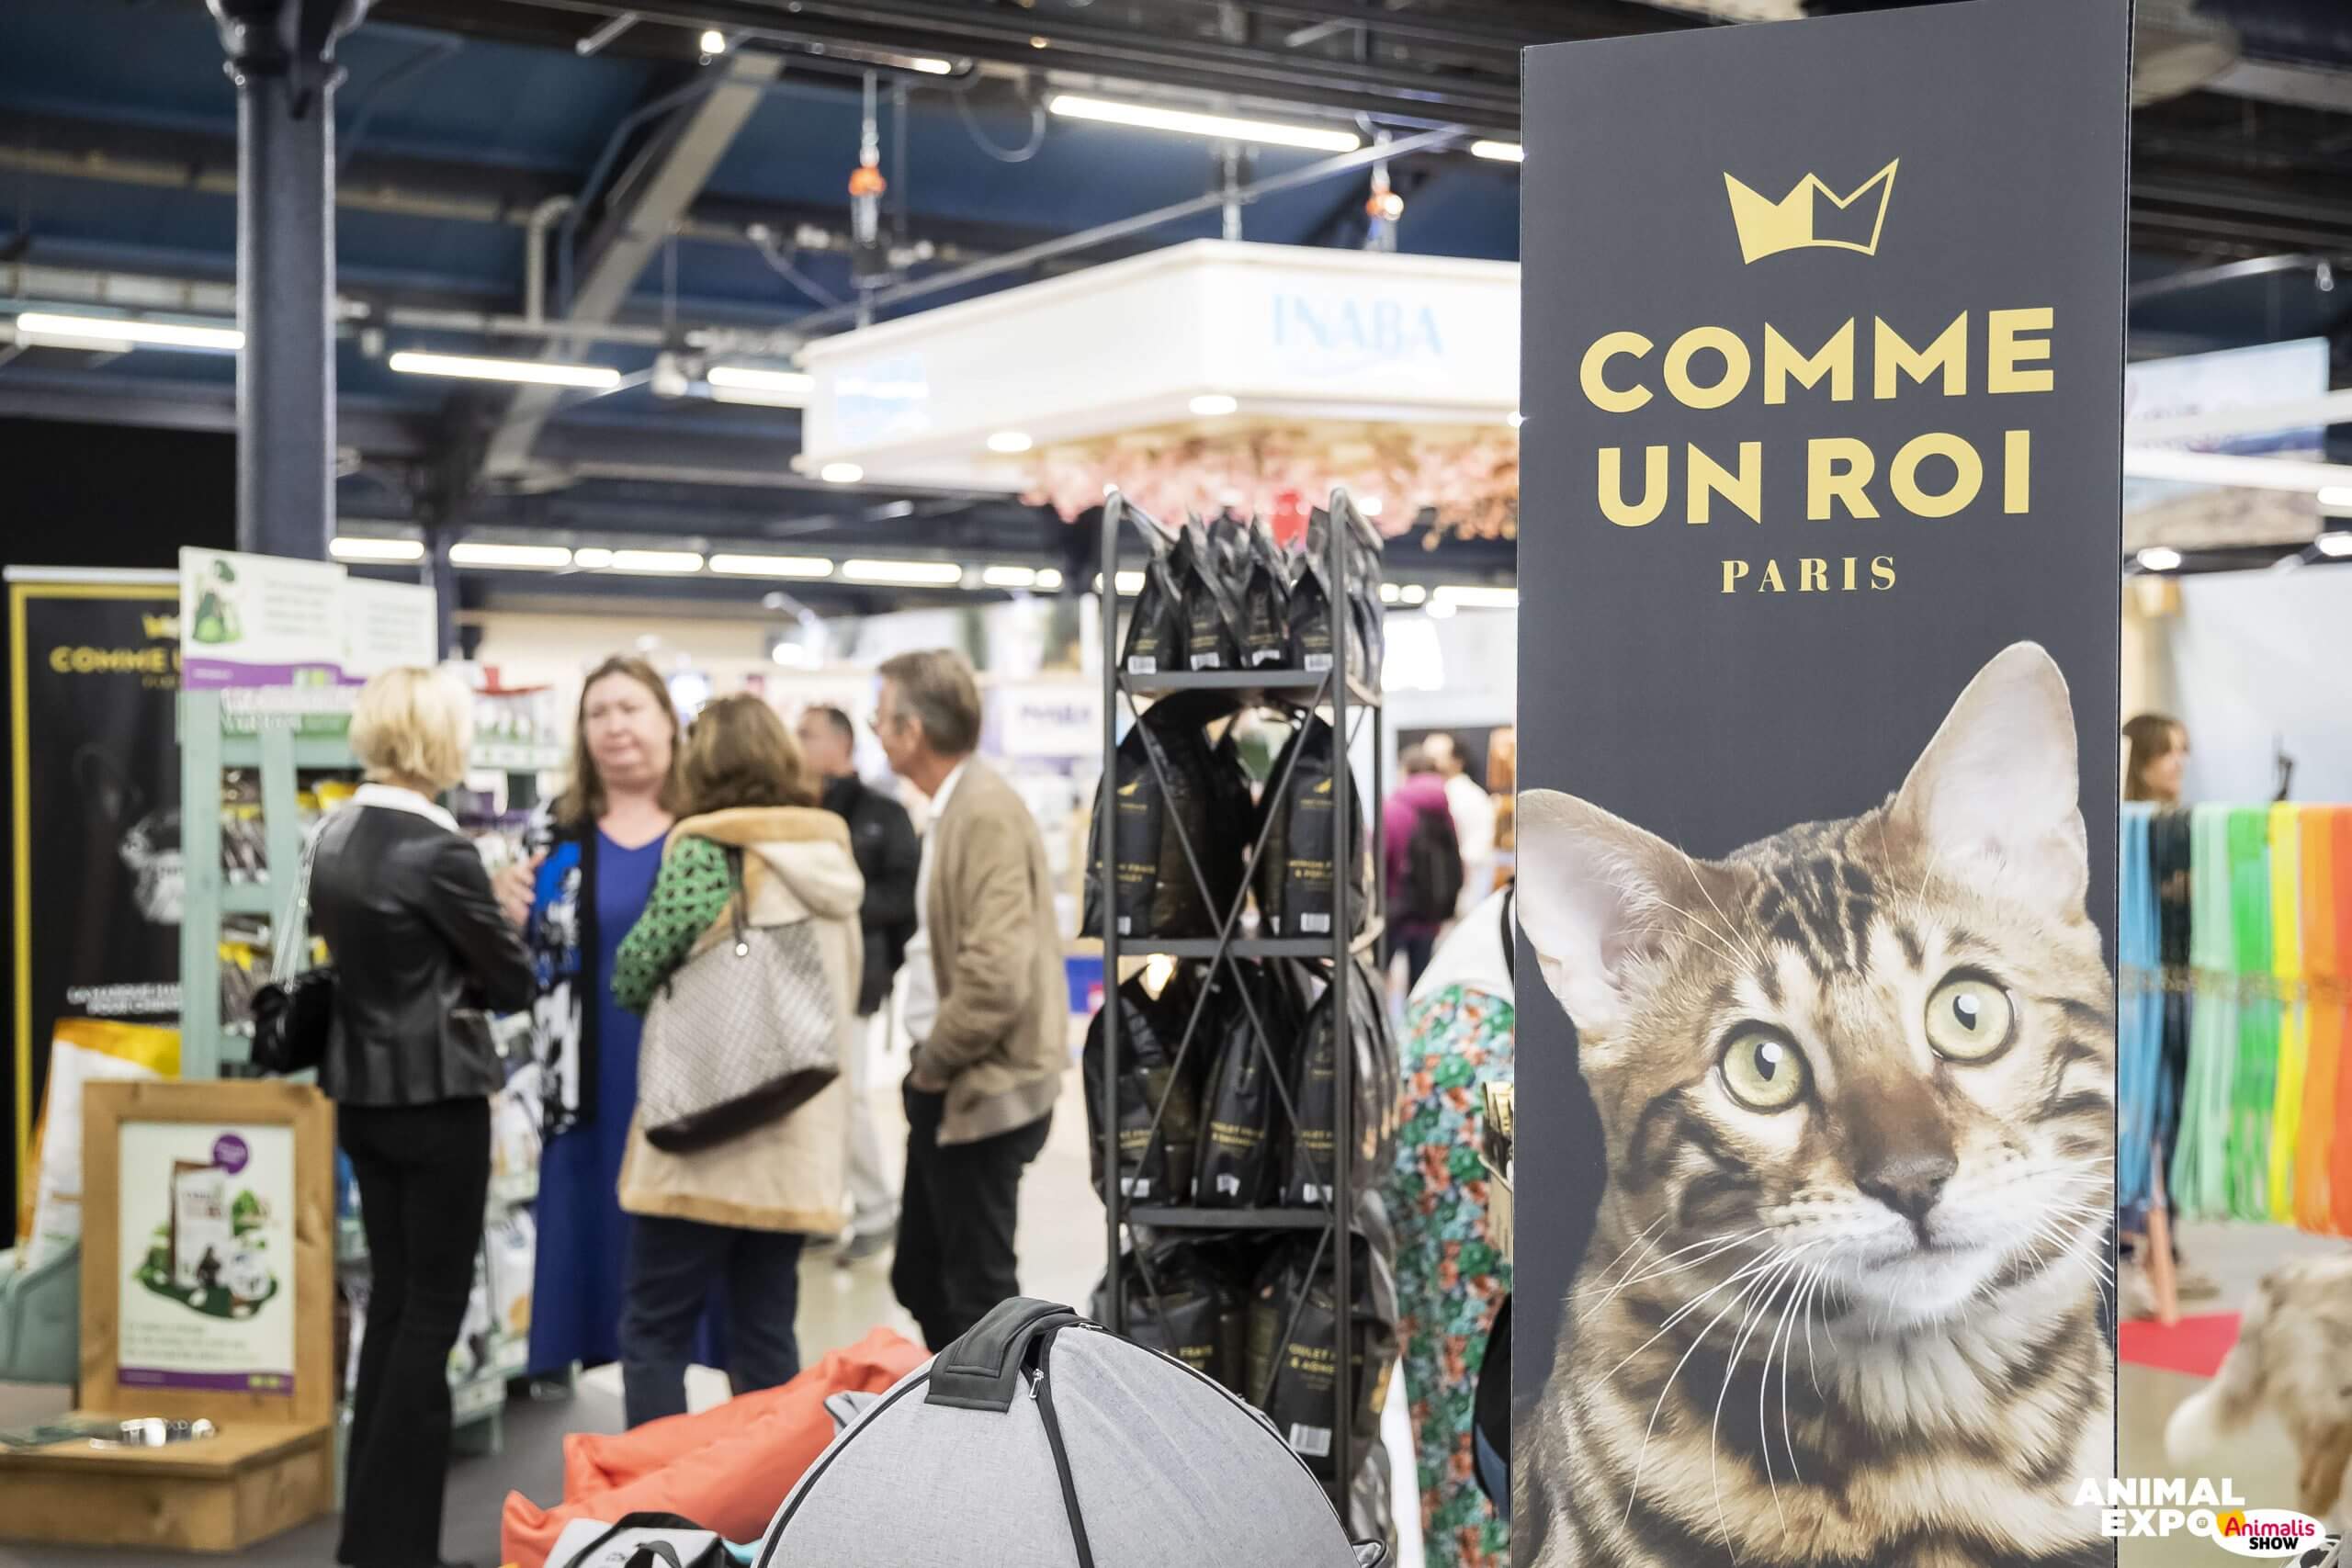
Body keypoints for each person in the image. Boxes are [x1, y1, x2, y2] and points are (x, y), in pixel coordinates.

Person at [310, 668, 534, 1568]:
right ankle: (395, 1551)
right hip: (438, 1102)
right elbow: (511, 979)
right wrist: (499, 926)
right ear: (439, 739)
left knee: (396, 1309)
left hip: (360, 1098)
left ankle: (371, 1542)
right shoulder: (438, 853)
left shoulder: (334, 836)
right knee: (429, 1322)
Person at [607, 694, 866, 1427]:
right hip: (792, 1141)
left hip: (702, 1137)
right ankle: (766, 1514)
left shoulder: (706, 850)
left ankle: (661, 1517)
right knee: (764, 1335)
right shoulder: (829, 855)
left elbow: (635, 970)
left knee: (654, 1327)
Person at [496, 657, 687, 1381]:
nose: (615, 726)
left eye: (631, 708)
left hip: (688, 1085)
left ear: (668, 720)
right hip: (583, 1086)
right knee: (608, 1276)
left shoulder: (707, 826)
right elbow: (515, 958)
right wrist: (502, 904)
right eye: (598, 711)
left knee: (692, 1287)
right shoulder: (554, 830)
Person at [873, 649, 1064, 1349]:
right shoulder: (957, 806)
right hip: (956, 1080)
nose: (874, 727)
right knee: (924, 1276)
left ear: (912, 729)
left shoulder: (981, 811)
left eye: (881, 714)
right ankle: (968, 1425)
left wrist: (934, 1064)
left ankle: (1002, 1443)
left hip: (979, 1087)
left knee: (977, 1292)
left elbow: (995, 974)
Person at [1386, 886, 1518, 1568]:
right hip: (1472, 1098)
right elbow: (1507, 1236)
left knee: (1447, 1382)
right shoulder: (1487, 1055)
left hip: (1446, 1105)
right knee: (1480, 1373)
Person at [795, 703, 921, 1265]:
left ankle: (874, 1211)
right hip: (797, 977)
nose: (798, 743)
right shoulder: (796, 809)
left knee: (848, 1096)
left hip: (856, 978)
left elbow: (903, 896)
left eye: (808, 734)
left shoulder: (882, 814)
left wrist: (840, 908)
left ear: (840, 744)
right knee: (809, 1099)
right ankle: (821, 1211)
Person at [1385, 745, 1464, 988]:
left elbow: (1382, 856)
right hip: (1431, 912)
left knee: (1378, 979)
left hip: (1396, 910)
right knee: (1420, 984)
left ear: (1406, 770)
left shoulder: (1395, 807)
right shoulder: (1444, 807)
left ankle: (1384, 1027)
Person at [1426, 733, 1497, 914]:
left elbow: (1478, 848)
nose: (1431, 764)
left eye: (1436, 758)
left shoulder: (1469, 797)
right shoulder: (1438, 793)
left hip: (1464, 894)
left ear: (1456, 761)